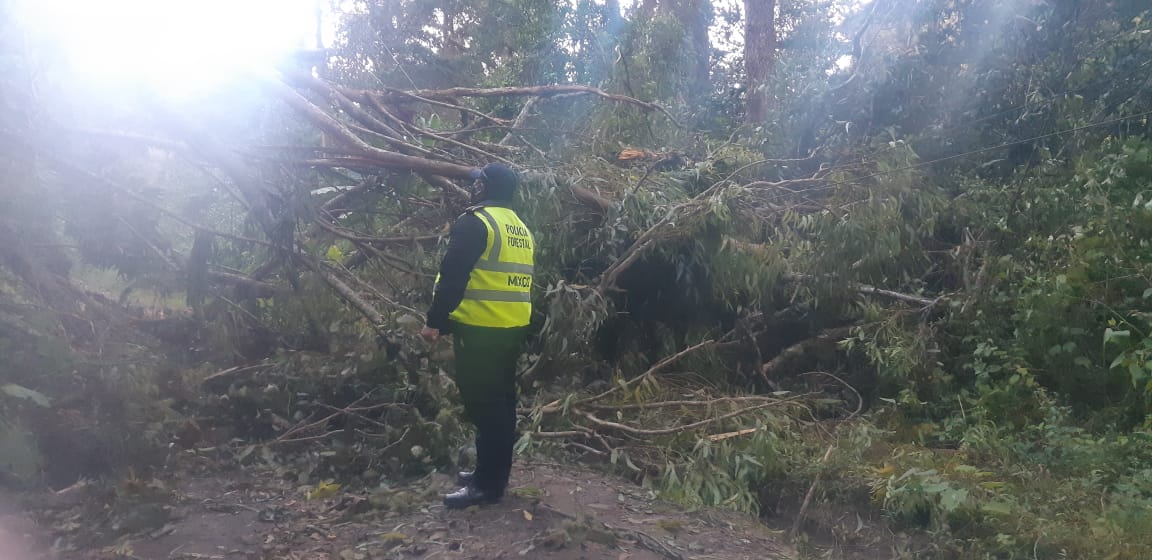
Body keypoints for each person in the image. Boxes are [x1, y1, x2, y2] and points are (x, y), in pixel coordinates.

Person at [420, 163, 534, 509]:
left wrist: (435, 322)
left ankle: (486, 485)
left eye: (477, 183)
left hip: (481, 332)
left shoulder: (476, 222)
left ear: (484, 188)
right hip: (510, 329)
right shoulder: (519, 228)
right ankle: (492, 474)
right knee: (500, 406)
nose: (474, 188)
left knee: (486, 408)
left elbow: (453, 275)